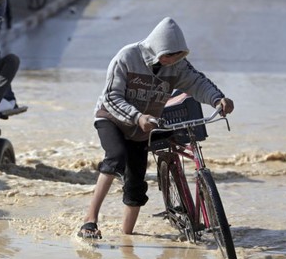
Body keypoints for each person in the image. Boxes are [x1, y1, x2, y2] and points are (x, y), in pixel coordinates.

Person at [77, 17, 234, 239]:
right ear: (158, 49)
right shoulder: (127, 57)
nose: (173, 61)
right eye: (169, 55)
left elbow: (197, 83)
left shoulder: (177, 64)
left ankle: (127, 237)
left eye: (178, 56)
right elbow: (111, 97)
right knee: (116, 156)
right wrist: (137, 116)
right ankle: (89, 221)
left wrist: (218, 100)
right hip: (112, 118)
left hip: (144, 127)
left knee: (136, 185)